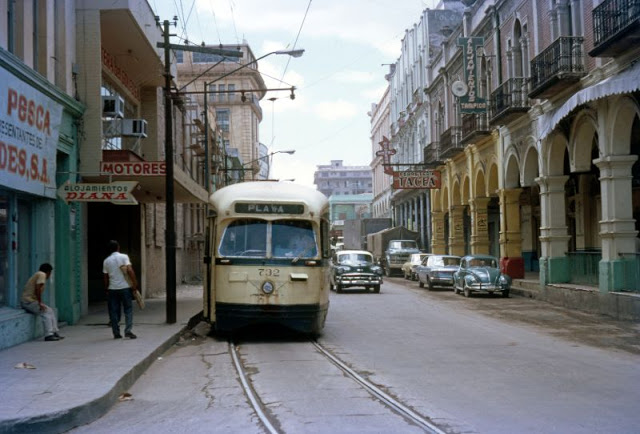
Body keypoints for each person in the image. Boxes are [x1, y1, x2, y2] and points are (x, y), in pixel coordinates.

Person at [103, 240, 138, 339]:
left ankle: (116, 332)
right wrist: (134, 283)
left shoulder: (106, 261)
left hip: (112, 289)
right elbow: (130, 270)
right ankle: (128, 331)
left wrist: (106, 288)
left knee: (114, 310)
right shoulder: (124, 257)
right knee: (128, 309)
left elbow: (105, 277)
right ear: (118, 247)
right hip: (125, 288)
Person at [21, 263, 64, 342]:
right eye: (50, 273)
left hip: (30, 301)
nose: (49, 275)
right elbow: (37, 289)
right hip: (28, 301)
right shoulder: (42, 274)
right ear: (48, 272)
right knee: (46, 312)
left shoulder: (38, 274)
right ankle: (48, 335)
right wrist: (40, 303)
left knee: (50, 310)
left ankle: (54, 332)